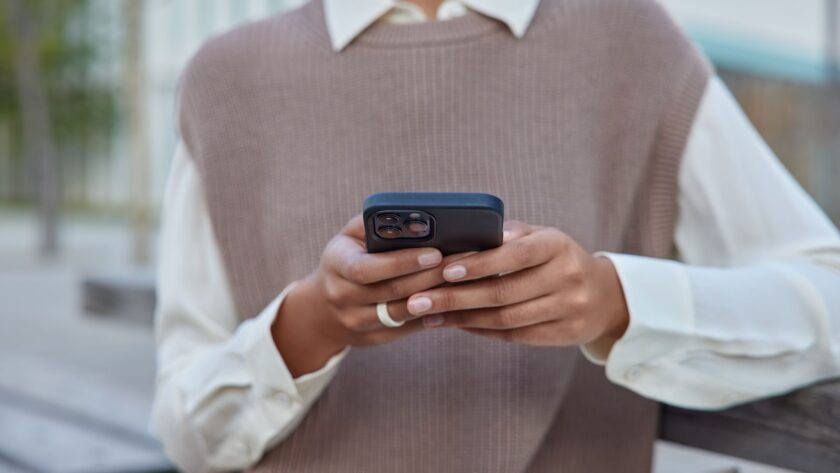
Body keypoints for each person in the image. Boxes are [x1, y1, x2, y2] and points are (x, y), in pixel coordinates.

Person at [151, 0, 840, 471]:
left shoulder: (632, 43)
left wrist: (614, 301)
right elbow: (185, 426)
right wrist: (309, 326)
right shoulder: (226, 81)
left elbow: (827, 292)